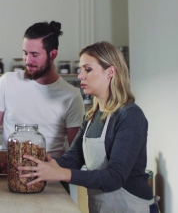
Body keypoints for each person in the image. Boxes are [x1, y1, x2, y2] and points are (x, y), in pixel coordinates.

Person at [18, 41, 157, 213]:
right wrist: (43, 164)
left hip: (132, 207)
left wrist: (60, 174)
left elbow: (114, 178)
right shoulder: (91, 116)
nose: (80, 76)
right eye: (81, 69)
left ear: (110, 72)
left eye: (88, 69)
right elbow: (74, 159)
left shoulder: (130, 116)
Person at [0, 21, 85, 176]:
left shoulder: (71, 95)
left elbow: (74, 150)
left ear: (53, 54)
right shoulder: (7, 82)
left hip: (52, 182)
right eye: (25, 53)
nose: (28, 61)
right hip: (10, 176)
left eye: (35, 55)